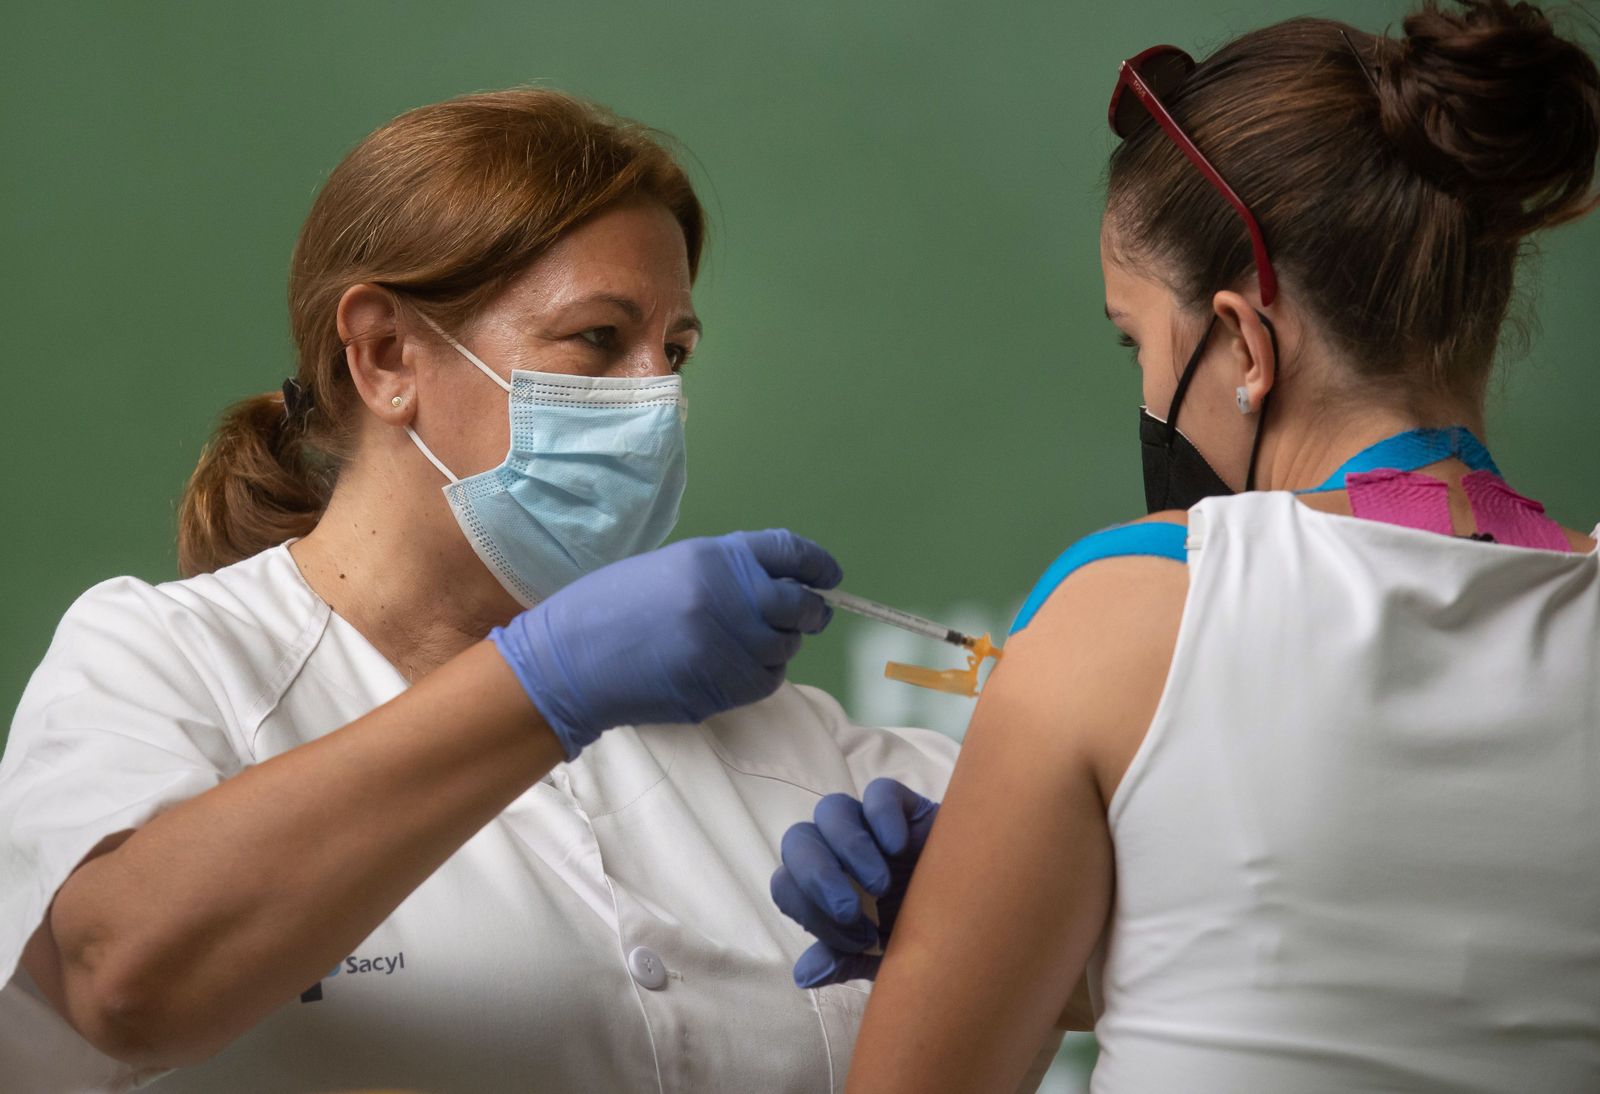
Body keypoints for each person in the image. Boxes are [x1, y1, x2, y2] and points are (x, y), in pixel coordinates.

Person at [0, 88, 1061, 1094]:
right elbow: (120, 978)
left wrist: (986, 905)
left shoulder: (794, 747)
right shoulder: (174, 662)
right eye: (598, 338)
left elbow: (1170, 916)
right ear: (384, 355)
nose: (655, 396)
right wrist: (541, 681)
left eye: (675, 350)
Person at [772, 1, 1600, 1090]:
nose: (1149, 393)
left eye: (1138, 346)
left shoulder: (1130, 603)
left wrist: (966, 924)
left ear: (1246, 341)